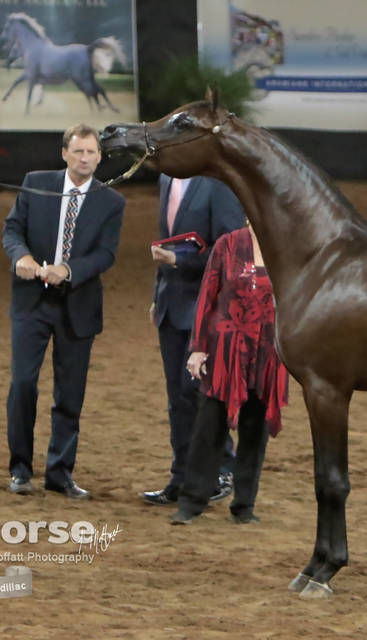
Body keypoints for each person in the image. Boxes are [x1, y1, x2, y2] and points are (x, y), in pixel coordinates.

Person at [2, 124, 125, 499]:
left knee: (70, 394)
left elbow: (106, 254)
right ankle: (20, 470)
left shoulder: (112, 201)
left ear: (99, 157)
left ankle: (60, 473)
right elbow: (12, 229)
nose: (85, 158)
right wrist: (20, 256)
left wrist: (68, 271)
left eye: (91, 152)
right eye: (79, 151)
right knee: (22, 384)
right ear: (64, 154)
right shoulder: (36, 183)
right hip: (31, 301)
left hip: (78, 305)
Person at [168, 225, 289, 525]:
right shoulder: (228, 244)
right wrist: (198, 347)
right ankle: (191, 502)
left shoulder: (287, 246)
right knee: (209, 427)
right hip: (225, 350)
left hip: (267, 352)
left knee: (255, 431)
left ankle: (244, 505)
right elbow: (207, 295)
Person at [140, 174, 246, 507]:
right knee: (178, 398)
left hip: (208, 308)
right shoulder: (166, 180)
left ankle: (220, 471)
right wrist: (158, 294)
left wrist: (179, 260)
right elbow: (169, 241)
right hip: (171, 306)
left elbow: (231, 250)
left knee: (202, 394)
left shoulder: (218, 184)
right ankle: (182, 476)